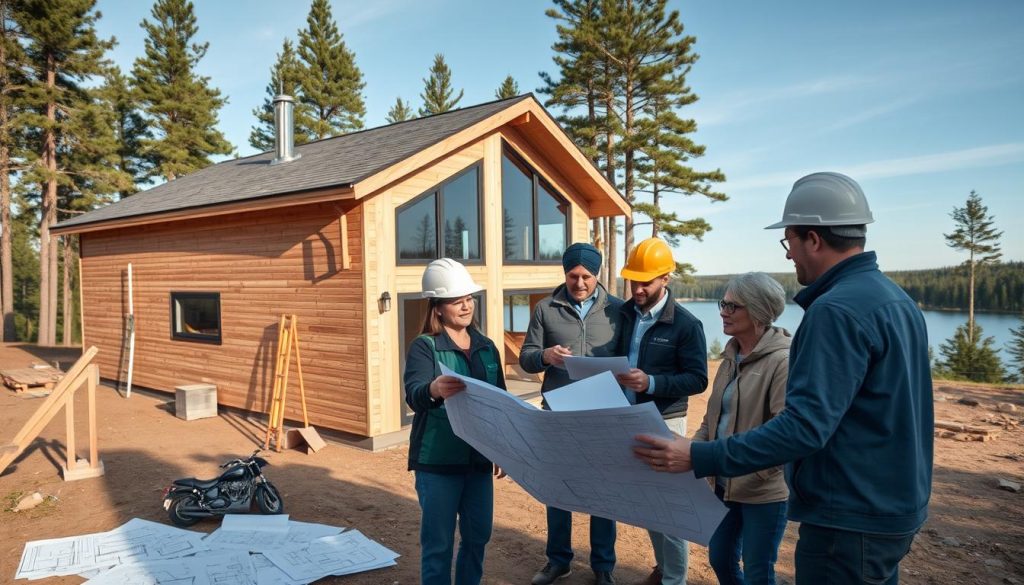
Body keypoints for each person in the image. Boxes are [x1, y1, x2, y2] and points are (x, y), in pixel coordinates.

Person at [634, 172, 934, 585]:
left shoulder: (835, 311)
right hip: (892, 507)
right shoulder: (895, 299)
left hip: (849, 516)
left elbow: (803, 427)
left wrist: (699, 457)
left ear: (813, 238)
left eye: (789, 241)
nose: (789, 255)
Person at [520, 242, 623, 585]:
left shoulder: (618, 312)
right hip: (558, 415)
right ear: (564, 274)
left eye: (587, 277)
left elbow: (630, 359)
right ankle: (558, 560)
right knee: (558, 489)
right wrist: (545, 356)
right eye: (573, 275)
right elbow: (526, 357)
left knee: (604, 493)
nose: (580, 283)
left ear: (598, 275)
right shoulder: (545, 309)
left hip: (603, 415)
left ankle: (603, 565)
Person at [404, 258, 507, 585]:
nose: (465, 305)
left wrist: (502, 448)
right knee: (438, 545)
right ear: (437, 307)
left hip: (478, 461)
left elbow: (501, 401)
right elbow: (414, 393)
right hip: (437, 463)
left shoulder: (488, 347)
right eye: (456, 299)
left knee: (478, 538)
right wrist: (432, 389)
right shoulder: (426, 347)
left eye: (469, 298)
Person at [615, 237, 708, 585]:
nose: (637, 288)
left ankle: (674, 580)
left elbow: (697, 379)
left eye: (645, 282)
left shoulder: (686, 325)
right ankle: (663, 568)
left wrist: (651, 383)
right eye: (633, 281)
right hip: (628, 418)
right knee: (646, 503)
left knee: (668, 507)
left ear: (665, 278)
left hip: (666, 421)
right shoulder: (624, 314)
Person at [694, 273, 791, 585]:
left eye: (732, 306)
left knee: (758, 572)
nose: (722, 311)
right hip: (722, 485)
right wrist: (695, 453)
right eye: (723, 303)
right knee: (720, 558)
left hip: (763, 491)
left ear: (759, 311)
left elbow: (786, 433)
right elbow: (712, 418)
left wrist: (758, 474)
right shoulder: (730, 356)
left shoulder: (784, 362)